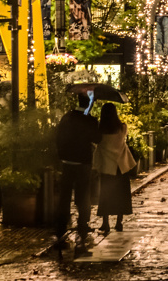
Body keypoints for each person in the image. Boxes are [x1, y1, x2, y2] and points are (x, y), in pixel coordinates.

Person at [55, 92, 102, 247]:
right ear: (90, 104)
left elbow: (58, 137)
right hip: (83, 162)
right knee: (83, 195)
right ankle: (82, 225)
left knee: (65, 196)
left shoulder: (67, 118)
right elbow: (98, 138)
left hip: (67, 162)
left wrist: (61, 155)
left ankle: (60, 228)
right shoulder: (90, 121)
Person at [94, 104, 136, 234]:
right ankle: (119, 222)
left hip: (107, 167)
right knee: (121, 194)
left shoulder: (100, 130)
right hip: (121, 166)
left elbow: (96, 143)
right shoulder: (122, 127)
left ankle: (105, 223)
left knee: (106, 194)